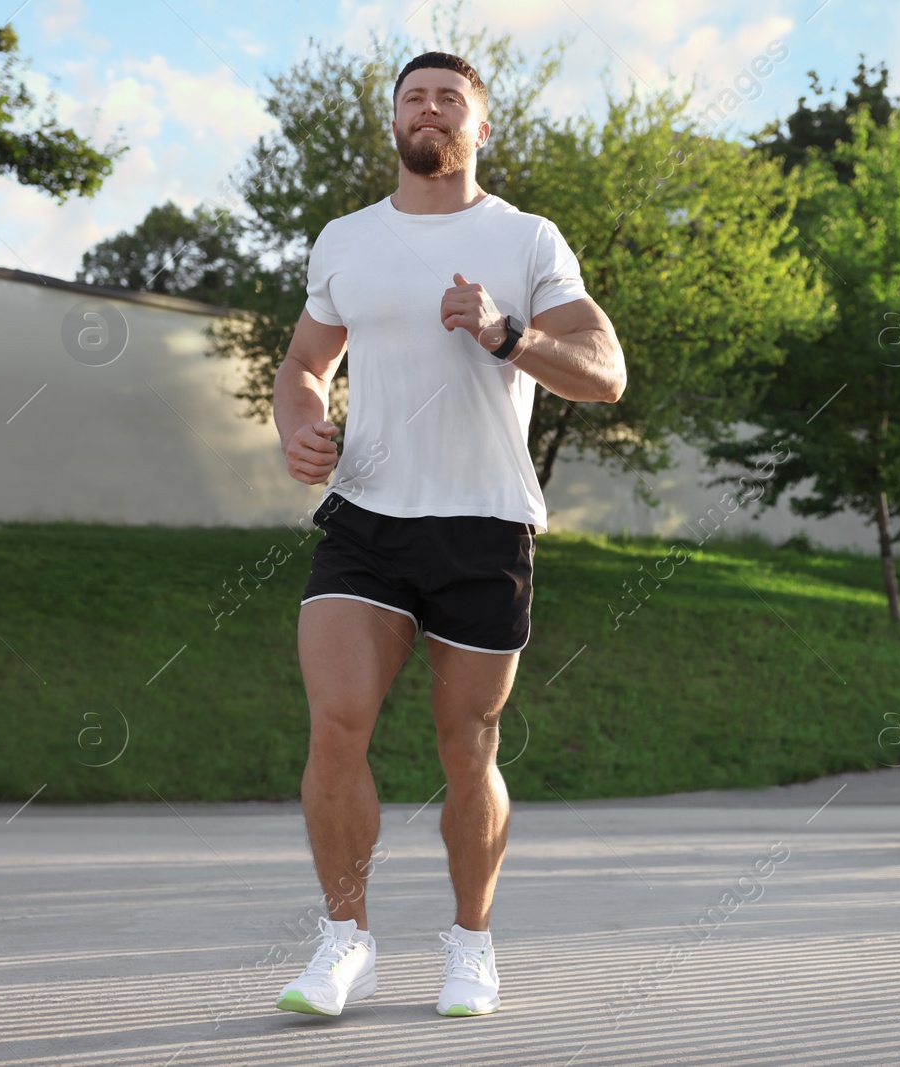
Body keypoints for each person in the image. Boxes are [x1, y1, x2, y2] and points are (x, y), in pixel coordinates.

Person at [269, 50, 626, 1018]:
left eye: (450, 99)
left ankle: (472, 944)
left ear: (481, 126)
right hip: (367, 518)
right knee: (336, 727)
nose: (430, 110)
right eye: (414, 98)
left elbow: (604, 372)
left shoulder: (526, 237)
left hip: (483, 522)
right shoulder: (344, 238)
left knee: (467, 746)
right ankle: (345, 941)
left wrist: (510, 333)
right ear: (395, 121)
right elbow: (304, 358)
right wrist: (299, 421)